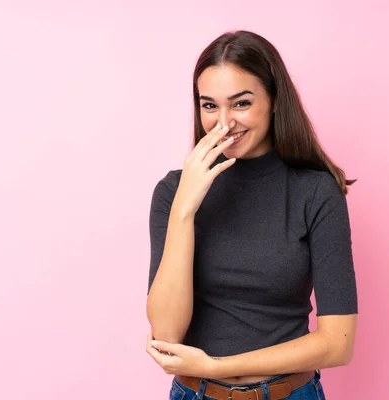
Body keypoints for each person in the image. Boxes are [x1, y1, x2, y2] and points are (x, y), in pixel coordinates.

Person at [146, 30, 358, 400]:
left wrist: (215, 368)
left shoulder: (315, 192)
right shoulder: (174, 193)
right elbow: (166, 334)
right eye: (209, 105)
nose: (223, 123)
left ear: (274, 100)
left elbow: (337, 343)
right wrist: (184, 210)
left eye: (241, 103)